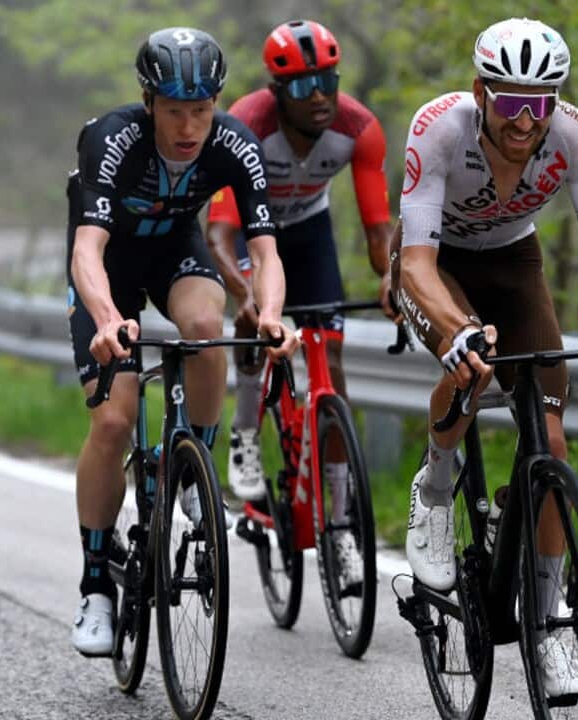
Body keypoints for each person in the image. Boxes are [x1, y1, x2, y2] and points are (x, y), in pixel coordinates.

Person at [392, 18, 578, 697]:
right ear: (481, 92)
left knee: (553, 441)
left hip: (514, 261)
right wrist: (458, 327)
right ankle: (434, 487)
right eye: (510, 102)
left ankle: (547, 633)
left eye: (539, 103)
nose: (524, 120)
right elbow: (416, 264)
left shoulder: (574, 136)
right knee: (468, 363)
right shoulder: (439, 130)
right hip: (438, 264)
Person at [66, 27, 299, 657]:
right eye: (175, 110)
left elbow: (264, 251)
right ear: (149, 103)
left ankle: (195, 469)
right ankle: (94, 587)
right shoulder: (112, 139)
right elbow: (88, 249)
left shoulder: (233, 143)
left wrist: (272, 313)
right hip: (108, 268)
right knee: (113, 423)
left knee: (203, 328)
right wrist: (109, 319)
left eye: (202, 109)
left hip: (175, 253)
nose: (190, 125)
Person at [205, 20, 393, 586]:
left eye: (327, 81)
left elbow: (377, 227)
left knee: (330, 368)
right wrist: (245, 296)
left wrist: (391, 279)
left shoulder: (358, 129)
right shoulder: (244, 125)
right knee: (253, 327)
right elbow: (218, 235)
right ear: (275, 90)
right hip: (245, 236)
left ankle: (339, 525)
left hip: (308, 235)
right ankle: (243, 435)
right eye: (301, 86)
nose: (317, 96)